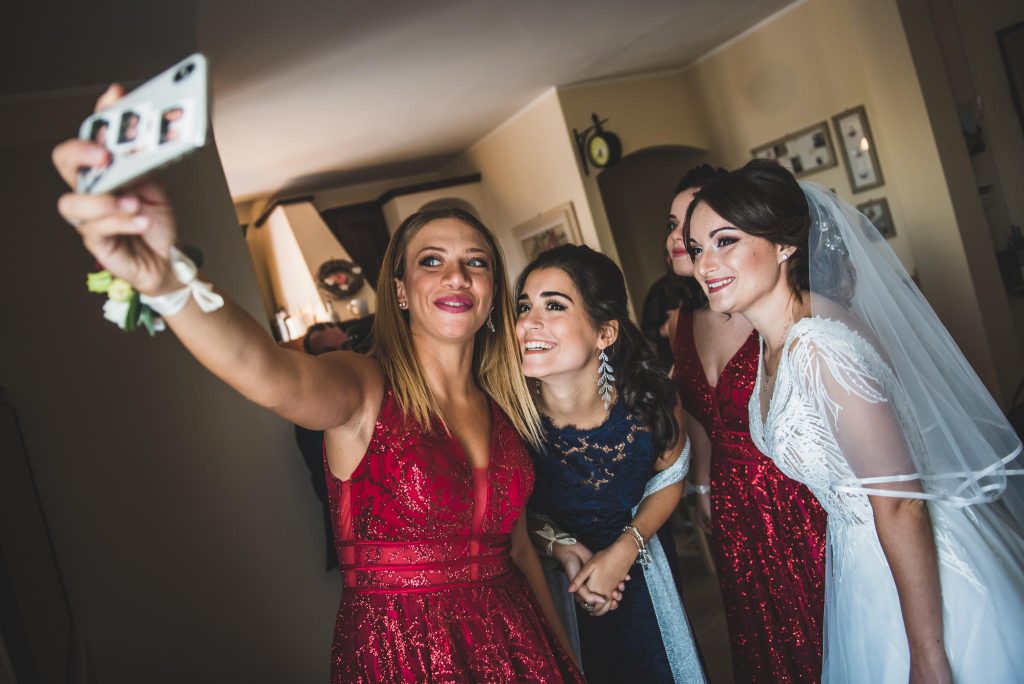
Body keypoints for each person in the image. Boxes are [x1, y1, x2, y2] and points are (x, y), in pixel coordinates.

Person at [53, 85, 584, 684]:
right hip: (406, 658)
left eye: (477, 261)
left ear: (491, 293)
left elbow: (515, 554)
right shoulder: (363, 387)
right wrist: (164, 276)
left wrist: (564, 660)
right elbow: (270, 373)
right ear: (402, 291)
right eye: (431, 260)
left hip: (519, 646)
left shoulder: (505, 407)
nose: (456, 274)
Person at [685, 159, 1024, 683]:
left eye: (725, 241)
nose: (706, 262)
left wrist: (929, 655)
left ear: (784, 245)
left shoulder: (821, 347)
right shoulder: (770, 346)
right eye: (697, 248)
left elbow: (899, 502)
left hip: (920, 570)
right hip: (859, 561)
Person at [516, 244, 706, 684]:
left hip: (644, 575)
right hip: (553, 587)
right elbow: (512, 516)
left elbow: (670, 478)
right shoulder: (509, 420)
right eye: (524, 307)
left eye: (555, 305)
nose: (529, 322)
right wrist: (560, 548)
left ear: (605, 333)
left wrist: (626, 549)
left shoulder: (651, 400)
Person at [667, 164, 827, 683]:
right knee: (765, 634)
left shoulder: (781, 314)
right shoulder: (680, 322)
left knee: (821, 619)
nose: (685, 243)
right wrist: (703, 485)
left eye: (720, 236)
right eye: (683, 235)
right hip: (734, 501)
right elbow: (698, 415)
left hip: (795, 488)